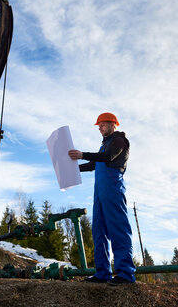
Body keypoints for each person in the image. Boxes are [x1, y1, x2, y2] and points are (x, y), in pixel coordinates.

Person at [68, 112, 135, 285]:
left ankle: (126, 274)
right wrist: (70, 171)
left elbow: (108, 158)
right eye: (99, 126)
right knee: (98, 230)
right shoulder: (103, 145)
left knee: (117, 229)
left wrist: (82, 154)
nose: (100, 128)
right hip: (99, 192)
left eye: (102, 125)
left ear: (113, 124)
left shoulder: (119, 141)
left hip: (112, 189)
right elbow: (93, 164)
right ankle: (102, 273)